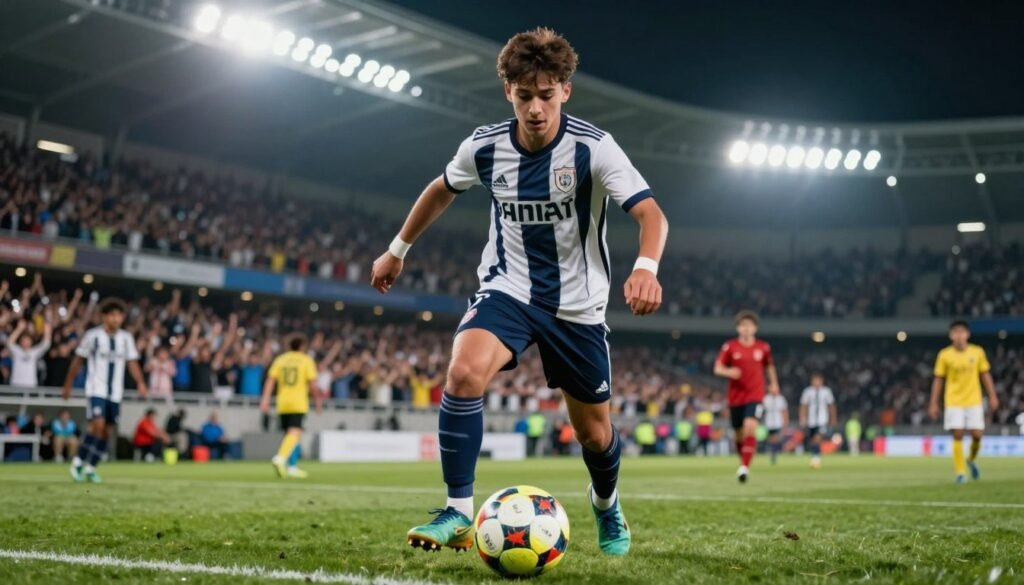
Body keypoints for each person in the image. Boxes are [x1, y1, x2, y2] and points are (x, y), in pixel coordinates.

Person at [371, 27, 667, 557]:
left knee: (595, 436)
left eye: (546, 95)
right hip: (508, 289)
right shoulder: (484, 148)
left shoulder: (594, 148)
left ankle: (606, 504)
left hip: (578, 306)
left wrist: (646, 266)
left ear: (566, 91)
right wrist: (397, 249)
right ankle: (459, 512)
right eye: (524, 95)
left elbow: (651, 214)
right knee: (463, 371)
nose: (535, 108)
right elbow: (441, 189)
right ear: (508, 91)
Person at [62, 298, 148, 483]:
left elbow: (132, 362)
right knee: (97, 426)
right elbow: (78, 360)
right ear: (104, 316)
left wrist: (141, 382)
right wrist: (68, 384)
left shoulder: (126, 338)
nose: (116, 319)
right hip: (96, 389)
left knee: (107, 431)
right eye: (112, 315)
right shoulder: (92, 336)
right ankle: (77, 461)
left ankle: (90, 467)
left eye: (119, 315)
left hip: (115, 392)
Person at [929, 321, 999, 483]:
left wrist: (993, 396)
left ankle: (971, 460)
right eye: (956, 332)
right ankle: (960, 472)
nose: (959, 335)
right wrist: (933, 403)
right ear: (951, 335)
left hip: (974, 400)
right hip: (953, 401)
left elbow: (985, 375)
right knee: (958, 434)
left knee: (977, 435)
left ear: (967, 334)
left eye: (962, 332)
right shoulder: (944, 355)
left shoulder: (977, 352)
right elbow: (938, 379)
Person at [714, 310, 779, 483]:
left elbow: (770, 367)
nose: (746, 329)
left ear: (755, 328)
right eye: (743, 325)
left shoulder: (763, 348)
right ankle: (743, 460)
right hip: (736, 397)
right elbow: (717, 368)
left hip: (755, 395)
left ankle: (744, 467)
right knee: (738, 434)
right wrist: (729, 371)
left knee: (750, 426)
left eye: (749, 325)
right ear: (738, 328)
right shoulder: (730, 347)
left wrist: (774, 384)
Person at [261, 334, 321, 479]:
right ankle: (280, 458)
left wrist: (265, 399)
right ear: (302, 347)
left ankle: (292, 467)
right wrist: (318, 401)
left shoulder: (280, 360)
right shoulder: (306, 360)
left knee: (291, 436)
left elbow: (270, 380)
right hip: (298, 402)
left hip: (282, 402)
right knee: (294, 433)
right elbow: (313, 385)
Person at [799, 373, 837, 469]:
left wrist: (833, 418)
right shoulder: (807, 392)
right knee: (813, 440)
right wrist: (802, 417)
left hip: (822, 419)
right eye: (815, 381)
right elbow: (803, 405)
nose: (816, 383)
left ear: (821, 381)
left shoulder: (826, 392)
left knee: (818, 438)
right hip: (811, 420)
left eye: (818, 380)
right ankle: (815, 455)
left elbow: (831, 405)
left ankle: (816, 458)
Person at [6, 318, 52, 388]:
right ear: (20, 342)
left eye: (28, 340)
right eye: (24, 340)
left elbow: (46, 344)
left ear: (31, 342)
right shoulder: (17, 350)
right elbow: (9, 343)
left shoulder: (34, 352)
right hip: (15, 384)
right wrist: (19, 329)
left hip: (30, 385)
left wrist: (47, 331)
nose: (26, 342)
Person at [762, 388, 789, 465]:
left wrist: (785, 421)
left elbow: (784, 411)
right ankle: (773, 453)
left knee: (775, 438)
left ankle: (774, 453)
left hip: (778, 422)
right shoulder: (766, 399)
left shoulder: (781, 399)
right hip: (769, 422)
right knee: (771, 439)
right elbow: (762, 410)